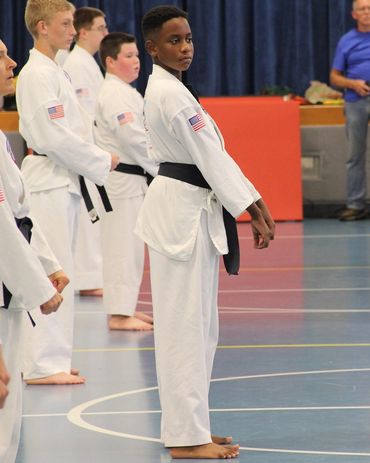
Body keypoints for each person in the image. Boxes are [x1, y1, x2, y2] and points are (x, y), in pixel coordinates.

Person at [136, 5, 275, 459]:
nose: (186, 48)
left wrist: (250, 200)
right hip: (180, 217)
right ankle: (184, 437)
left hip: (191, 212)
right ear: (151, 47)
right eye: (174, 41)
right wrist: (252, 206)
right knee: (183, 330)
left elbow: (214, 154)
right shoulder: (170, 94)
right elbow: (210, 159)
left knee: (200, 329)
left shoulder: (175, 89)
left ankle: (191, 426)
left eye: (189, 39)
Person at [16, 0, 119, 385]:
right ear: (42, 27)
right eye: (65, 23)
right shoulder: (37, 74)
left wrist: (92, 159)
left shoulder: (53, 70)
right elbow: (53, 138)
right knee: (51, 274)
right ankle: (43, 363)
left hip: (63, 179)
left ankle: (53, 357)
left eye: (73, 22)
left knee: (64, 270)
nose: (73, 30)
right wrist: (99, 158)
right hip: (48, 180)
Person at [0, 39, 67, 463]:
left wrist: (48, 263)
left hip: (11, 278)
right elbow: (2, 226)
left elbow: (18, 210)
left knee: (11, 404)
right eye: (2, 56)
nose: (12, 63)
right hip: (6, 278)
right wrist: (38, 286)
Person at [95, 32, 157, 330]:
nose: (136, 62)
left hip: (133, 180)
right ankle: (119, 314)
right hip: (121, 181)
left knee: (132, 247)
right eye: (128, 56)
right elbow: (133, 139)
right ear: (110, 61)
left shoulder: (127, 91)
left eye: (137, 55)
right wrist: (163, 167)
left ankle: (125, 306)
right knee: (122, 246)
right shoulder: (113, 94)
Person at [63, 6, 108, 297]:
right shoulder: (76, 64)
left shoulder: (86, 62)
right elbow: (83, 114)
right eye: (100, 28)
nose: (105, 33)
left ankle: (91, 277)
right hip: (86, 149)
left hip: (94, 149)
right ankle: (88, 279)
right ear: (83, 32)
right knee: (88, 217)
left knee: (93, 218)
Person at [330, 0, 370, 221]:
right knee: (355, 155)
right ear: (354, 14)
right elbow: (334, 77)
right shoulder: (346, 41)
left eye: (369, 8)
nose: (367, 13)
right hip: (356, 101)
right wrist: (354, 84)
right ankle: (356, 204)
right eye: (362, 9)